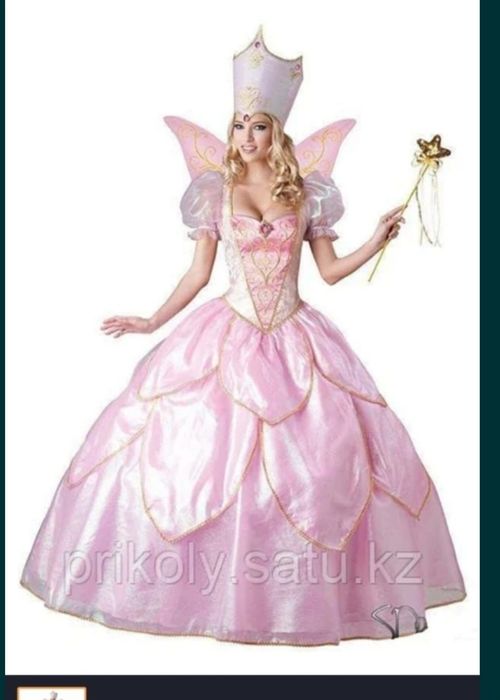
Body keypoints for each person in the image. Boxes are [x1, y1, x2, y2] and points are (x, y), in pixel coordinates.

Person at [20, 26, 466, 646]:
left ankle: (301, 600)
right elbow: (198, 274)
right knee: (194, 461)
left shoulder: (306, 194)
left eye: (258, 126)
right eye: (238, 126)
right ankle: (198, 593)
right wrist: (151, 320)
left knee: (323, 463)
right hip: (224, 332)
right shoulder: (215, 192)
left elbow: (330, 273)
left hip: (296, 335)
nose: (246, 136)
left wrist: (376, 238)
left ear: (276, 132)